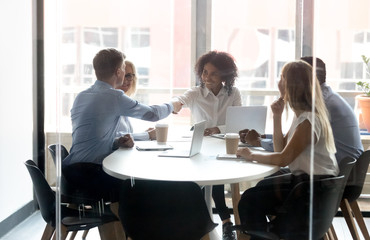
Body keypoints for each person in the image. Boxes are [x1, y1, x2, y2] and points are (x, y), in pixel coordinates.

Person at [63, 48, 181, 207]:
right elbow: (152, 114)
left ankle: (124, 229)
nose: (126, 73)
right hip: (91, 174)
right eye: (124, 69)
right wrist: (173, 104)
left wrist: (117, 142)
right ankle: (133, 229)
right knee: (145, 186)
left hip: (72, 172)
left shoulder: (82, 95)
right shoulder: (114, 96)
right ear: (118, 72)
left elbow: (93, 137)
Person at [235, 60, 339, 236]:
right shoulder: (303, 116)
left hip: (311, 190)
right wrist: (277, 117)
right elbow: (280, 149)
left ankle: (268, 235)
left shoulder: (308, 120)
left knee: (249, 200)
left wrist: (250, 154)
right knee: (255, 193)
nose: (278, 81)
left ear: (292, 85)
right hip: (310, 184)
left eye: (282, 77)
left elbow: (283, 159)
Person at [239, 56, 363, 163]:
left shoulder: (315, 109)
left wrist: (257, 144)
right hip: (326, 173)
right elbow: (289, 142)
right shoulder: (309, 104)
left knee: (264, 184)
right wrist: (274, 122)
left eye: (283, 78)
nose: (279, 83)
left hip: (328, 179)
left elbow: (284, 156)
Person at [173, 50, 241, 240]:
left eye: (213, 73)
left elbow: (239, 123)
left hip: (223, 146)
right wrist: (174, 105)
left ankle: (215, 225)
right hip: (200, 148)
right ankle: (224, 224)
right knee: (208, 181)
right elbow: (180, 100)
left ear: (224, 76)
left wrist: (217, 129)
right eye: (204, 72)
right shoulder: (196, 92)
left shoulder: (233, 93)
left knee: (215, 179)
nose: (207, 77)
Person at [116, 60, 156, 140]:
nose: (124, 80)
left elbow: (126, 137)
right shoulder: (110, 102)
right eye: (121, 75)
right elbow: (114, 137)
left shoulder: (124, 102)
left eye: (129, 76)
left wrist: (144, 134)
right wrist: (147, 135)